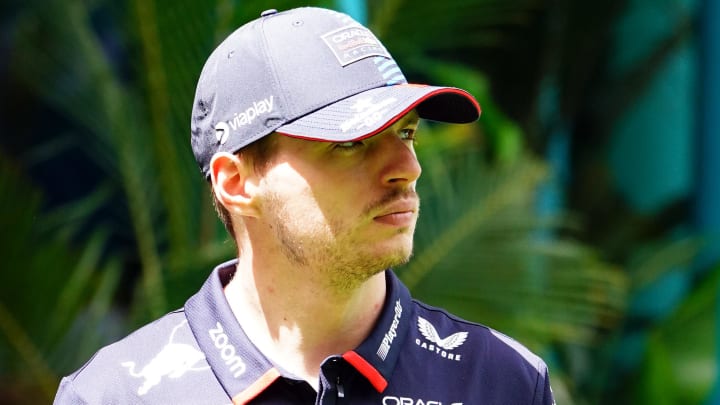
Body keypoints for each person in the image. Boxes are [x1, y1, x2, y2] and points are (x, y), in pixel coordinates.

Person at [54, 6, 555, 405]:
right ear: (236, 182)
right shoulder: (113, 395)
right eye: (350, 143)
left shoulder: (501, 381)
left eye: (407, 133)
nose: (407, 167)